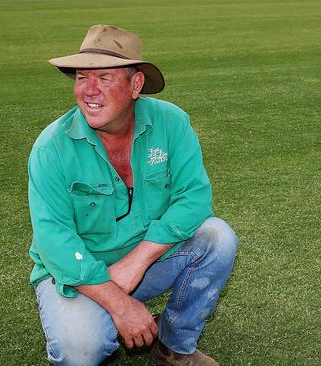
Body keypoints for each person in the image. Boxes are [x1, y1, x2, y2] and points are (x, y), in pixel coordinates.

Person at [27, 24, 238, 366]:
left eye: (105, 77)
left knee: (217, 237)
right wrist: (117, 301)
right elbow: (54, 241)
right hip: (76, 274)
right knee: (81, 349)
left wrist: (137, 261)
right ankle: (101, 318)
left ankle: (173, 348)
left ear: (135, 84)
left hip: (144, 262)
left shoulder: (171, 122)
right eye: (82, 77)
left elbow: (194, 199)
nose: (89, 91)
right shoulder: (51, 148)